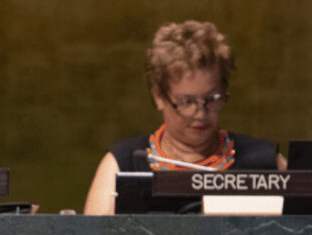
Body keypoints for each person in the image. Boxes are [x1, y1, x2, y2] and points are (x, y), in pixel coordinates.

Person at [83, 20, 287, 215]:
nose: (200, 113)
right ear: (159, 97)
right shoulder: (123, 165)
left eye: (212, 98)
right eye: (186, 102)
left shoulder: (266, 161)